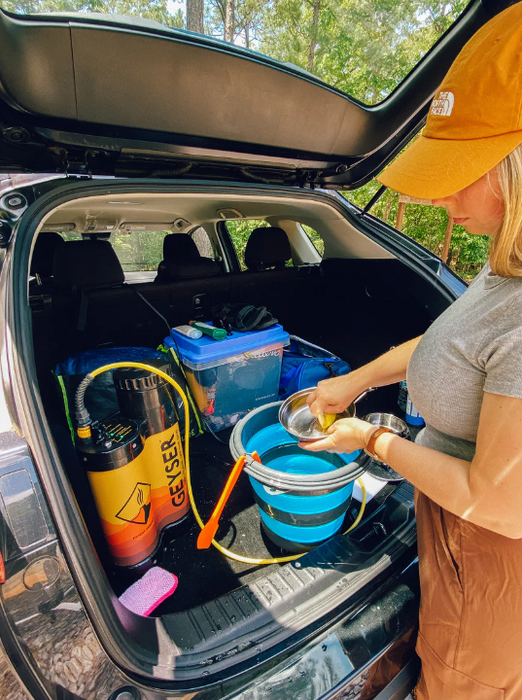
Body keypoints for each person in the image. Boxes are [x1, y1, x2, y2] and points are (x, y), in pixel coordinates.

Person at [300, 5, 522, 699]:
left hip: (487, 558)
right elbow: (455, 345)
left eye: (461, 172)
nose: (446, 200)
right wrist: (354, 384)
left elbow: (501, 503)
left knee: (454, 684)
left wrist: (370, 440)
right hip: (452, 533)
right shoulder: (508, 259)